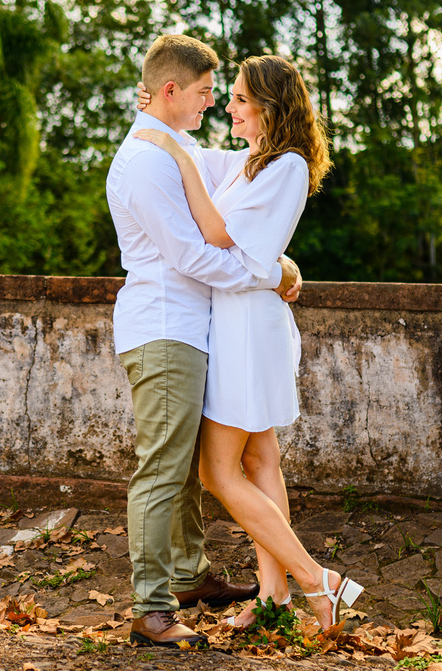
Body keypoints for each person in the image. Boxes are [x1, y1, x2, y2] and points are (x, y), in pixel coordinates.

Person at [133, 54, 363, 631]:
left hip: (248, 332)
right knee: (259, 460)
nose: (227, 107)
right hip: (232, 322)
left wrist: (176, 155)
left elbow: (220, 234)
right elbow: (188, 149)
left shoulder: (286, 165)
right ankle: (273, 597)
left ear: (270, 107)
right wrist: (158, 116)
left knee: (218, 473)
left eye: (239, 99)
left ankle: (317, 579)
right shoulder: (248, 162)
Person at [106, 35, 303, 648]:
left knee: (187, 469)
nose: (213, 103)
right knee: (162, 471)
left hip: (190, 329)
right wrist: (271, 273)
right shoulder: (146, 163)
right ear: (171, 90)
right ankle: (152, 610)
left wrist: (276, 260)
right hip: (165, 328)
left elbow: (235, 168)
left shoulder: (174, 147)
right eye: (204, 92)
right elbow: (190, 256)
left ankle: (190, 577)